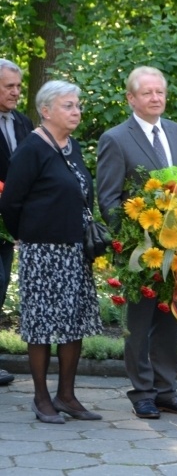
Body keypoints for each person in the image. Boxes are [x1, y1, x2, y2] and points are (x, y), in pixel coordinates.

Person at [96, 67, 177, 419]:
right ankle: (141, 391)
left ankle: (165, 390)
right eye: (147, 93)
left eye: (160, 92)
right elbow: (109, 199)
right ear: (131, 98)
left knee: (171, 318)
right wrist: (132, 239)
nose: (156, 98)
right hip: (140, 251)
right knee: (139, 323)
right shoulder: (116, 138)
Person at [0, 80, 104, 423]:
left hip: (75, 252)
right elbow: (11, 203)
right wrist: (31, 235)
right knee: (42, 327)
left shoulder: (71, 145)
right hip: (43, 252)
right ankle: (41, 398)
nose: (76, 111)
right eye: (68, 106)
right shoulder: (32, 149)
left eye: (77, 105)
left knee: (73, 324)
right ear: (46, 111)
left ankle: (67, 396)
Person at [0, 59, 34, 387]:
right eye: (9, 86)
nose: (16, 92)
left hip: (9, 222)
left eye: (18, 86)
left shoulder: (23, 123)